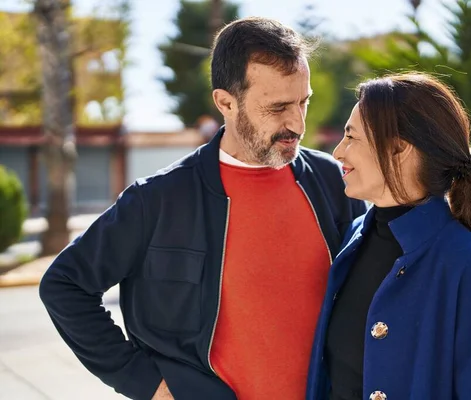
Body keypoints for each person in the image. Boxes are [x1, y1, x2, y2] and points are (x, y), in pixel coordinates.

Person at [39, 17, 366, 400]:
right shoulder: (158, 199)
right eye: (277, 107)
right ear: (226, 103)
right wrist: (146, 384)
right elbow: (64, 285)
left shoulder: (333, 182)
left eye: (303, 101)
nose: (296, 122)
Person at [306, 72, 471, 400]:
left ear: (398, 149)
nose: (338, 152)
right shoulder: (353, 236)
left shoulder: (469, 264)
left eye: (351, 137)